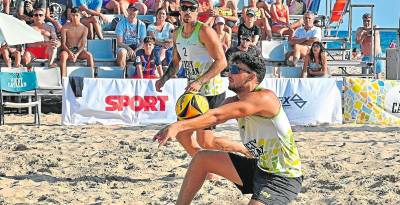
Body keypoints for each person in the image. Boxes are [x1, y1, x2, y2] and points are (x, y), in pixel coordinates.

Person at [154, 53, 303, 204]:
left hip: (284, 178)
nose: (229, 73)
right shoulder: (234, 100)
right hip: (259, 168)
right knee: (202, 158)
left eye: (235, 69)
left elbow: (216, 116)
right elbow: (207, 118)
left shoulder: (264, 98)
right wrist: (178, 125)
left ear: (251, 77)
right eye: (230, 68)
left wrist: (178, 126)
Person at [155, 0, 229, 163]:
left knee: (205, 141)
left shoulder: (204, 31)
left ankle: (243, 151)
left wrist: (200, 82)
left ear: (198, 10)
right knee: (184, 136)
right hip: (194, 92)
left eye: (192, 8)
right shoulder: (177, 33)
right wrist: (164, 79)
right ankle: (209, 168)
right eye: (184, 8)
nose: (188, 11)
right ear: (179, 11)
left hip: (211, 91)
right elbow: (176, 62)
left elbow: (222, 62)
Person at [59, 7, 94, 77]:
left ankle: (91, 78)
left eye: (76, 15)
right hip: (67, 50)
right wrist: (70, 53)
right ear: (70, 16)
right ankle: (63, 79)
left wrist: (77, 54)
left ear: (80, 16)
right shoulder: (65, 27)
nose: (74, 17)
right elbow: (63, 44)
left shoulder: (84, 28)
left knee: (89, 55)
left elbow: (83, 44)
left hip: (79, 51)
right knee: (63, 55)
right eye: (73, 15)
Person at [115, 3, 147, 69]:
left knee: (147, 51)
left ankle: (143, 74)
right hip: (125, 46)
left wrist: (136, 51)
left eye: (134, 10)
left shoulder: (142, 25)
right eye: (130, 9)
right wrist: (128, 48)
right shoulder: (121, 23)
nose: (132, 11)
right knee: (122, 52)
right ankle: (122, 73)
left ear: (138, 12)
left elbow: (143, 42)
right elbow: (119, 42)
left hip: (137, 47)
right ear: (127, 10)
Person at [356, 13, 383, 77]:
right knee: (364, 75)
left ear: (371, 21)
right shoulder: (359, 29)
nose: (366, 23)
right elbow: (358, 42)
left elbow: (372, 32)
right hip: (366, 56)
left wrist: (364, 33)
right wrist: (363, 35)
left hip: (376, 55)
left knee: (377, 75)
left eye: (368, 21)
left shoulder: (375, 27)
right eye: (364, 21)